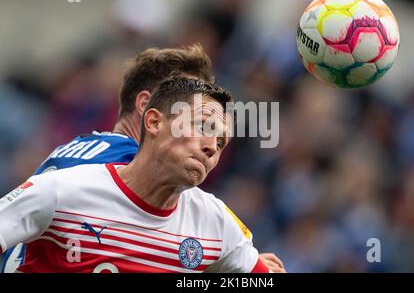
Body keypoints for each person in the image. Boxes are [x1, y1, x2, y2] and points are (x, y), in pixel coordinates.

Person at [1, 45, 285, 273]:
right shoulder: (107, 167)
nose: (211, 145)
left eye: (221, 140)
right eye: (199, 119)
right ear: (150, 110)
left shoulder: (81, 146)